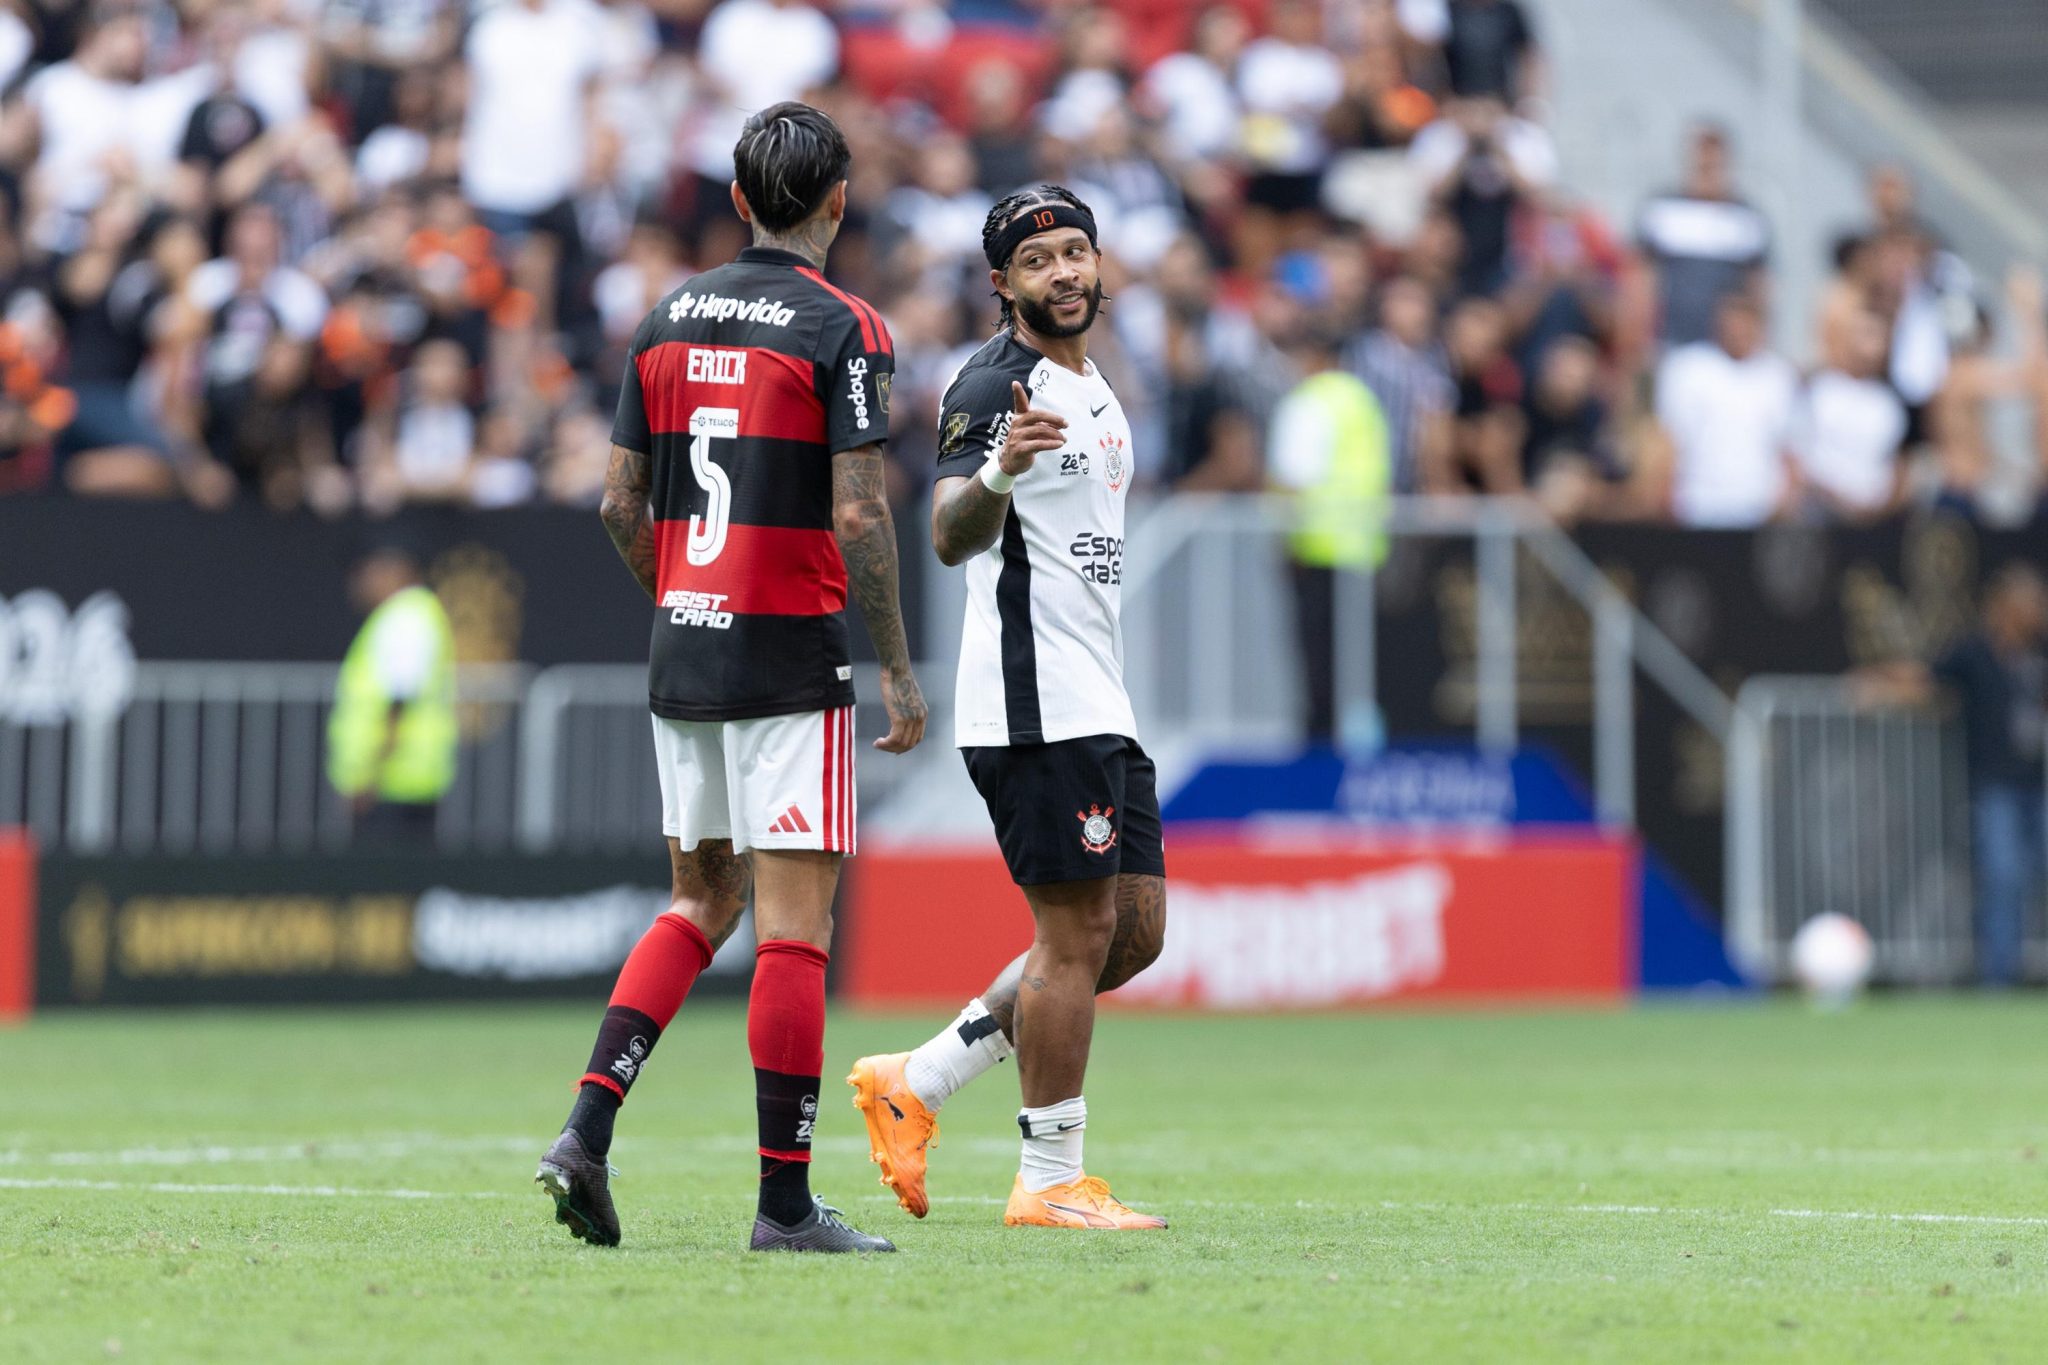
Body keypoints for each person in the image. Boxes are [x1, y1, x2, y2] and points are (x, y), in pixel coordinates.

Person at [536, 102, 926, 1254]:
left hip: (684, 642)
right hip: (787, 652)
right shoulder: (842, 326)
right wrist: (897, 668)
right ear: (837, 202)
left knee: (697, 900)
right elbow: (858, 509)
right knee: (793, 930)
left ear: (739, 201)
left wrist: (679, 590)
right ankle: (785, 1205)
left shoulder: (664, 317)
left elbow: (617, 500)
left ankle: (584, 1134)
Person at [848, 187, 1169, 1232]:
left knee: (1130, 934)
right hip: (1034, 704)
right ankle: (1049, 1178)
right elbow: (946, 531)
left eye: (1077, 251)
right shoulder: (993, 381)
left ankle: (919, 1080)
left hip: (1094, 697)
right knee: (1074, 938)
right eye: (1039, 263)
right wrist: (997, 466)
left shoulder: (1090, 382)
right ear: (1001, 284)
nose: (1065, 273)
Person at [1864, 566, 2048, 986]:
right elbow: (1927, 679)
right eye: (2031, 602)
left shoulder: (2039, 653)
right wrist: (1878, 684)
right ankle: (2000, 980)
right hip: (1996, 785)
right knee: (2003, 876)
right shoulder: (1975, 652)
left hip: (2039, 783)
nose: (2039, 610)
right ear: (2005, 607)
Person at [1270, 325, 1391, 745]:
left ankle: (1319, 758)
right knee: (1358, 666)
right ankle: (1358, 748)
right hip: (1364, 549)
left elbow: (1293, 480)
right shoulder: (1363, 402)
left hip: (1316, 548)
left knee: (1317, 666)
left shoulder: (1309, 402)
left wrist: (1283, 542)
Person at [326, 544, 457, 848]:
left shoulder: (406, 618)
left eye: (368, 572)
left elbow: (399, 700)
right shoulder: (405, 615)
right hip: (399, 782)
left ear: (396, 570)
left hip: (395, 784)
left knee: (387, 886)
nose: (360, 583)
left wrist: (368, 775)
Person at [1651, 290, 1798, 527]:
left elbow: (1789, 450)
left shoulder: (1779, 375)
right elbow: (1668, 440)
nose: (1738, 330)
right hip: (1697, 507)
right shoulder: (1687, 368)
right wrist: (1667, 496)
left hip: (1760, 513)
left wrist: (1783, 505)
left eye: (1746, 321)